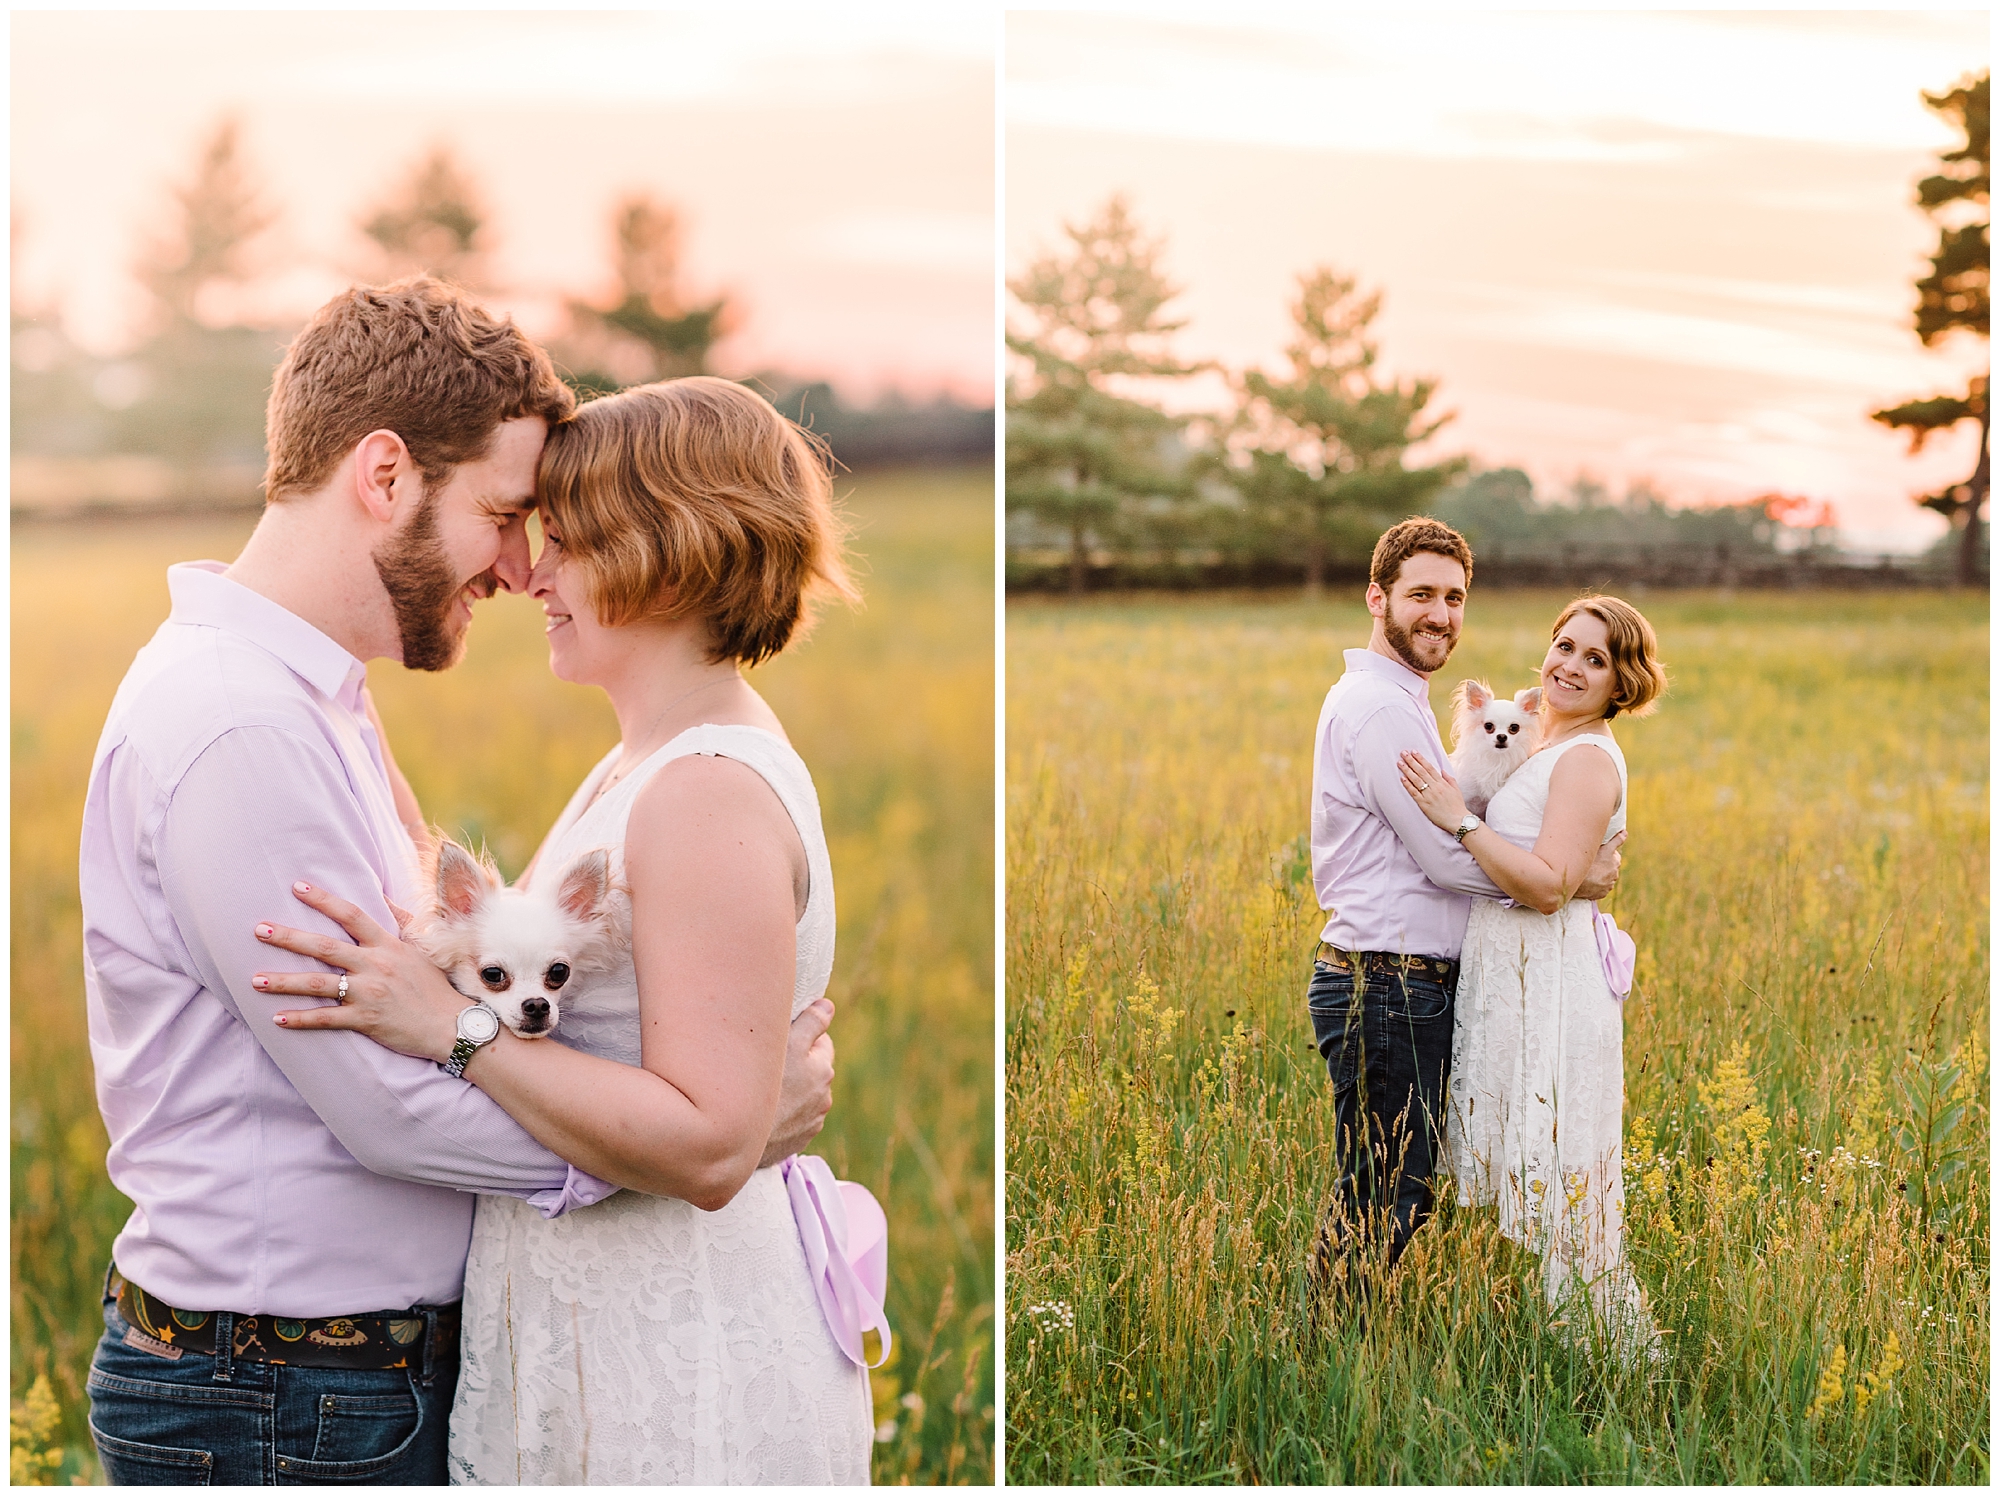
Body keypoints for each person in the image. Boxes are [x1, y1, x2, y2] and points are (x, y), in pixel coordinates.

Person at [79, 280, 836, 1486]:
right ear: (385, 477)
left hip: (329, 1386)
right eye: (504, 512)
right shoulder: (241, 727)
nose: (519, 565)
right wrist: (706, 1147)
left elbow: (442, 1010)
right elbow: (386, 1101)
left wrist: (705, 1134)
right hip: (284, 1390)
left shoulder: (321, 706)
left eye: (552, 530)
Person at [252, 376, 875, 1483]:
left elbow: (708, 1138)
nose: (530, 573)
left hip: (674, 1364)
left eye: (569, 542)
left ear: (669, 551)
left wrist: (457, 1032)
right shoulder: (642, 759)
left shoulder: (703, 791)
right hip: (606, 1328)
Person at [1305, 518, 1621, 1298]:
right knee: (1385, 1191)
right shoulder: (1381, 710)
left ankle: (1333, 1343)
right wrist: (1561, 879)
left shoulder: (1402, 701)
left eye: (1453, 597)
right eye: (1420, 594)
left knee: (1392, 1185)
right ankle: (1321, 1351)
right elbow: (1446, 854)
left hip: (1406, 984)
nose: (1439, 614)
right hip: (1386, 982)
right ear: (1376, 598)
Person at [1398, 595, 1667, 1355]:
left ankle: (1602, 1358)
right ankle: (1527, 1344)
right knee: (1518, 1161)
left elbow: (1547, 885)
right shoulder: (1541, 744)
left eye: (1596, 658)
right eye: (1564, 645)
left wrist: (1460, 818)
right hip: (1513, 971)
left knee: (1556, 1164)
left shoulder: (1585, 758)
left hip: (1549, 980)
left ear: (1623, 682)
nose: (1570, 666)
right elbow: (1564, 873)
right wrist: (1574, 875)